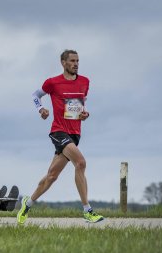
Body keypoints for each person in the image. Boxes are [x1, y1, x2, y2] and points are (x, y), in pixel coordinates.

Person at [17, 50, 104, 224]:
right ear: (63, 63)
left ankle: (28, 202)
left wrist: (84, 115)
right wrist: (40, 109)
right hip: (58, 131)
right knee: (80, 163)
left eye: (78, 60)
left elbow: (79, 106)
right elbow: (36, 95)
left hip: (75, 133)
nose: (76, 64)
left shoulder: (85, 82)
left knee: (52, 176)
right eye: (72, 61)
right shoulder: (53, 82)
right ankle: (87, 210)